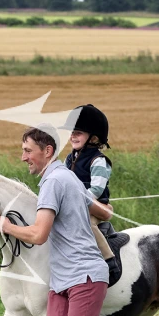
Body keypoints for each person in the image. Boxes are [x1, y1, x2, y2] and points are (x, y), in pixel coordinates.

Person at [0, 124, 159, 316]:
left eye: (28, 151)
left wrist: (6, 226)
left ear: (47, 151)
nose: (23, 157)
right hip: (60, 279)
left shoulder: (53, 182)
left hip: (84, 274)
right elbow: (103, 212)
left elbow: (38, 235)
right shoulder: (67, 177)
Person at [61, 104, 120, 279]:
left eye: (78, 133)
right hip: (74, 204)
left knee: (87, 223)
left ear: (94, 137)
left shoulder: (99, 161)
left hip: (94, 206)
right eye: (72, 132)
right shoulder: (70, 158)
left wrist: (76, 200)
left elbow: (96, 189)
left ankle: (109, 260)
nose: (73, 136)